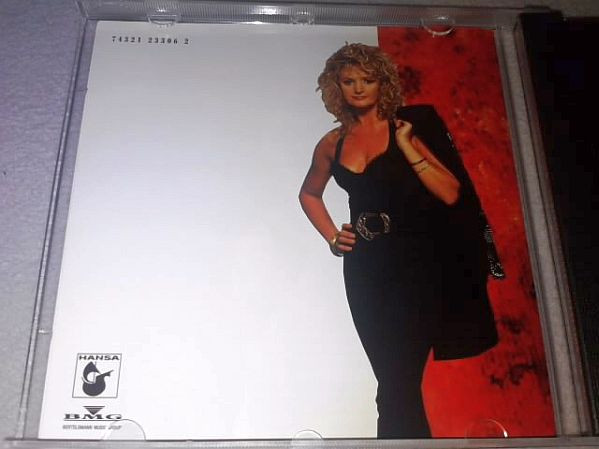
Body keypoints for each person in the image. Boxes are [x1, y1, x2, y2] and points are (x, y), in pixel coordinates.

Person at [299, 43, 500, 438]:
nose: (359, 88)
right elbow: (309, 193)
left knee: (396, 382)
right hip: (365, 268)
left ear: (383, 84)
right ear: (336, 87)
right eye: (349, 81)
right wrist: (332, 237)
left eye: (368, 80)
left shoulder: (407, 128)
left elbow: (450, 193)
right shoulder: (331, 143)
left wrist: (407, 146)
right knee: (394, 382)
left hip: (418, 265)